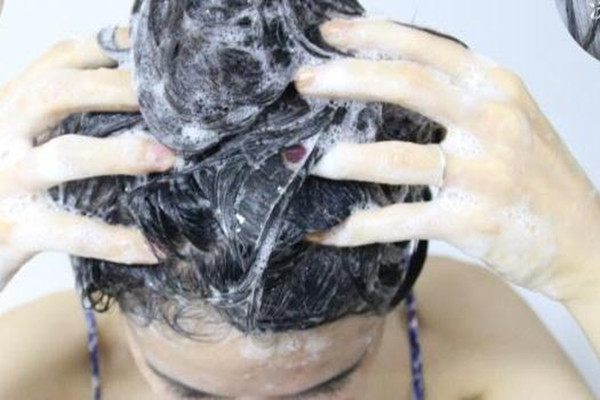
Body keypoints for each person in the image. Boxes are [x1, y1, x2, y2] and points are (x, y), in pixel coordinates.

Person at [0, 2, 599, 400]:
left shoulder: (467, 337)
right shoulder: (39, 369)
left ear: (393, 297)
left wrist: (588, 258)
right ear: (118, 309)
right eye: (193, 396)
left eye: (323, 390)